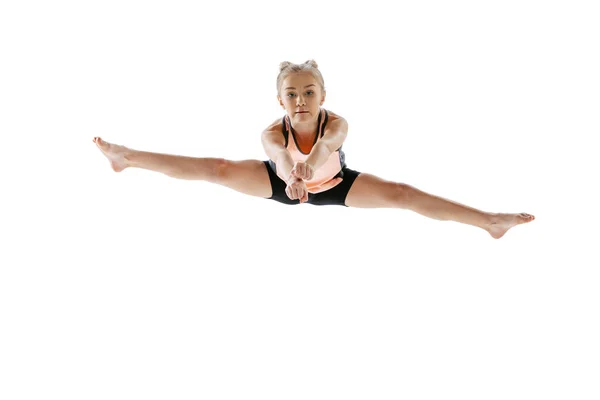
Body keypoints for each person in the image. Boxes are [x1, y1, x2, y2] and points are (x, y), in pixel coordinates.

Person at [93, 59, 534, 239]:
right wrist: (290, 175)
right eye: (291, 95)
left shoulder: (336, 123)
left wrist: (308, 170)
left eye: (308, 93)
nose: (300, 101)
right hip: (283, 181)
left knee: (402, 194)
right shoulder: (271, 131)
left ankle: (489, 221)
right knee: (218, 167)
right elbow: (281, 156)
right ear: (279, 100)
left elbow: (326, 149)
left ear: (322, 96)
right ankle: (126, 157)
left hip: (333, 183)